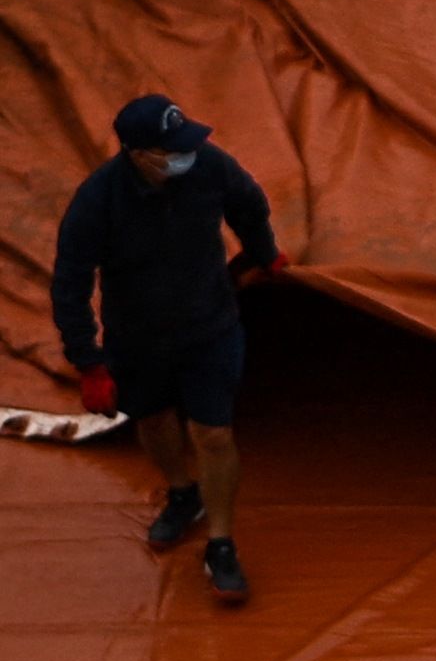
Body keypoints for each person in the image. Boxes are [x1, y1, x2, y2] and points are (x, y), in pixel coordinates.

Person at [51, 93, 284, 608]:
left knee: (213, 433)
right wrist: (88, 362)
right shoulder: (96, 202)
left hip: (210, 326)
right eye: (172, 149)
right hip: (138, 337)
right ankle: (183, 494)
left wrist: (264, 253)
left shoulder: (209, 167)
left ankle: (221, 544)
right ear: (139, 154)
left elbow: (249, 204)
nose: (186, 155)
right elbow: (70, 284)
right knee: (154, 421)